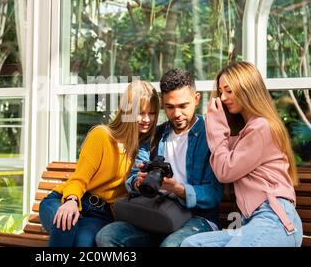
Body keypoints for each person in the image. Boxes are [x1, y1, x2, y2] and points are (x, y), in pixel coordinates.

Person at [96, 69, 223, 247]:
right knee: (107, 236)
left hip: (197, 218)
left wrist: (179, 189)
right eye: (170, 107)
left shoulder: (210, 135)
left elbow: (213, 194)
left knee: (171, 245)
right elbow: (132, 177)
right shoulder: (155, 136)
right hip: (157, 213)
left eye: (183, 106)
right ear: (163, 104)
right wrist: (138, 183)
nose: (176, 113)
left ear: (196, 99)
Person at [181, 61, 303, 247]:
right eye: (221, 91)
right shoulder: (244, 134)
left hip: (275, 219)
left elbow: (224, 171)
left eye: (229, 91)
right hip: (252, 223)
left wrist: (215, 124)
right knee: (191, 244)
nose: (223, 97)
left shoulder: (262, 127)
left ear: (248, 89)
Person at [38, 80, 160, 247]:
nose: (147, 119)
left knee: (84, 243)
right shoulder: (102, 135)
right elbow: (79, 179)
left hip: (101, 214)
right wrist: (71, 201)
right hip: (65, 199)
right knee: (65, 222)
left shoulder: (145, 149)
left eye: (152, 113)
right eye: (141, 112)